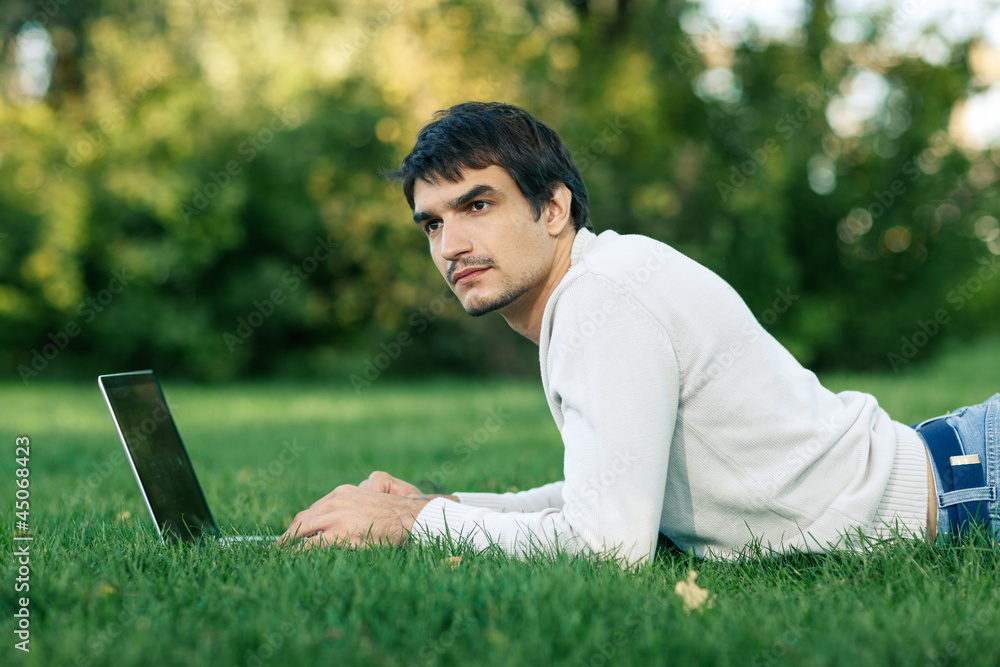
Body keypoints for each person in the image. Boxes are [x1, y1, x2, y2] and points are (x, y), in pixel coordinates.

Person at [279, 101, 1000, 568]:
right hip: (964, 467)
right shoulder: (598, 284)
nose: (451, 245)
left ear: (553, 208)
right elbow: (604, 494)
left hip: (974, 486)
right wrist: (435, 507)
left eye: (477, 205)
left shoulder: (603, 298)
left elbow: (608, 545)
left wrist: (417, 524)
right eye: (433, 223)